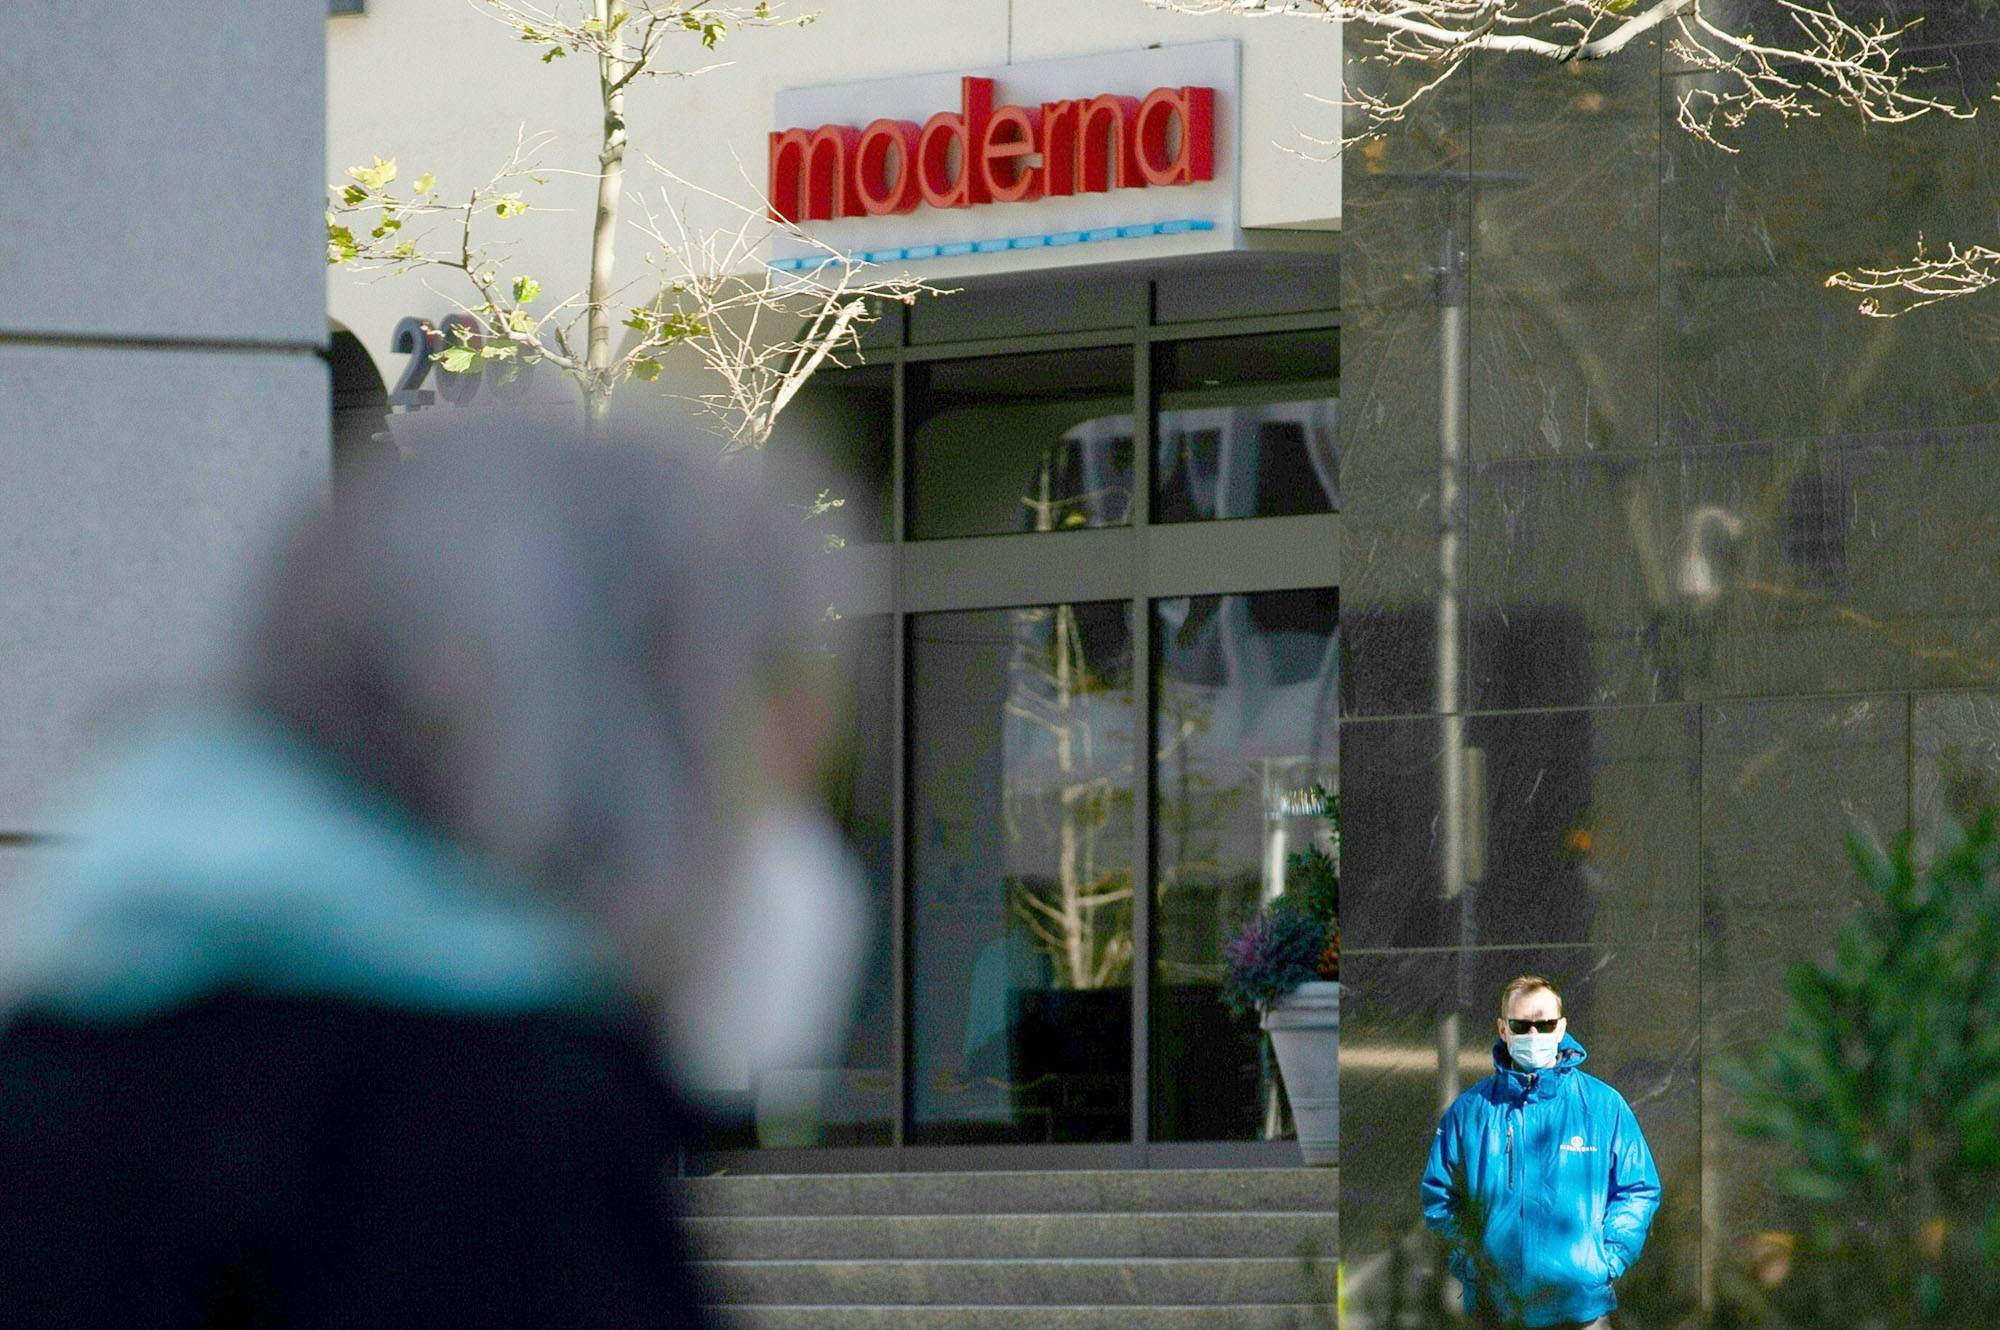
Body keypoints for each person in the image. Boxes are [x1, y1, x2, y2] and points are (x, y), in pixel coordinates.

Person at [0, 425, 866, 1328]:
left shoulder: (67, 1048)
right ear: (622, 737)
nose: (777, 830)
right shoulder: (497, 1138)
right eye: (773, 743)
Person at [1420, 975, 1661, 1330]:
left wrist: (1604, 1261)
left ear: (1561, 1027)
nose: (1533, 1036)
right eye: (1521, 1025)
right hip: (1495, 1312)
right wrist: (1473, 1262)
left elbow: (1638, 1189)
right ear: (1503, 1029)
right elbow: (1440, 1197)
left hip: (1581, 1311)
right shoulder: (1470, 1111)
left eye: (1544, 1024)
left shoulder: (1602, 1106)